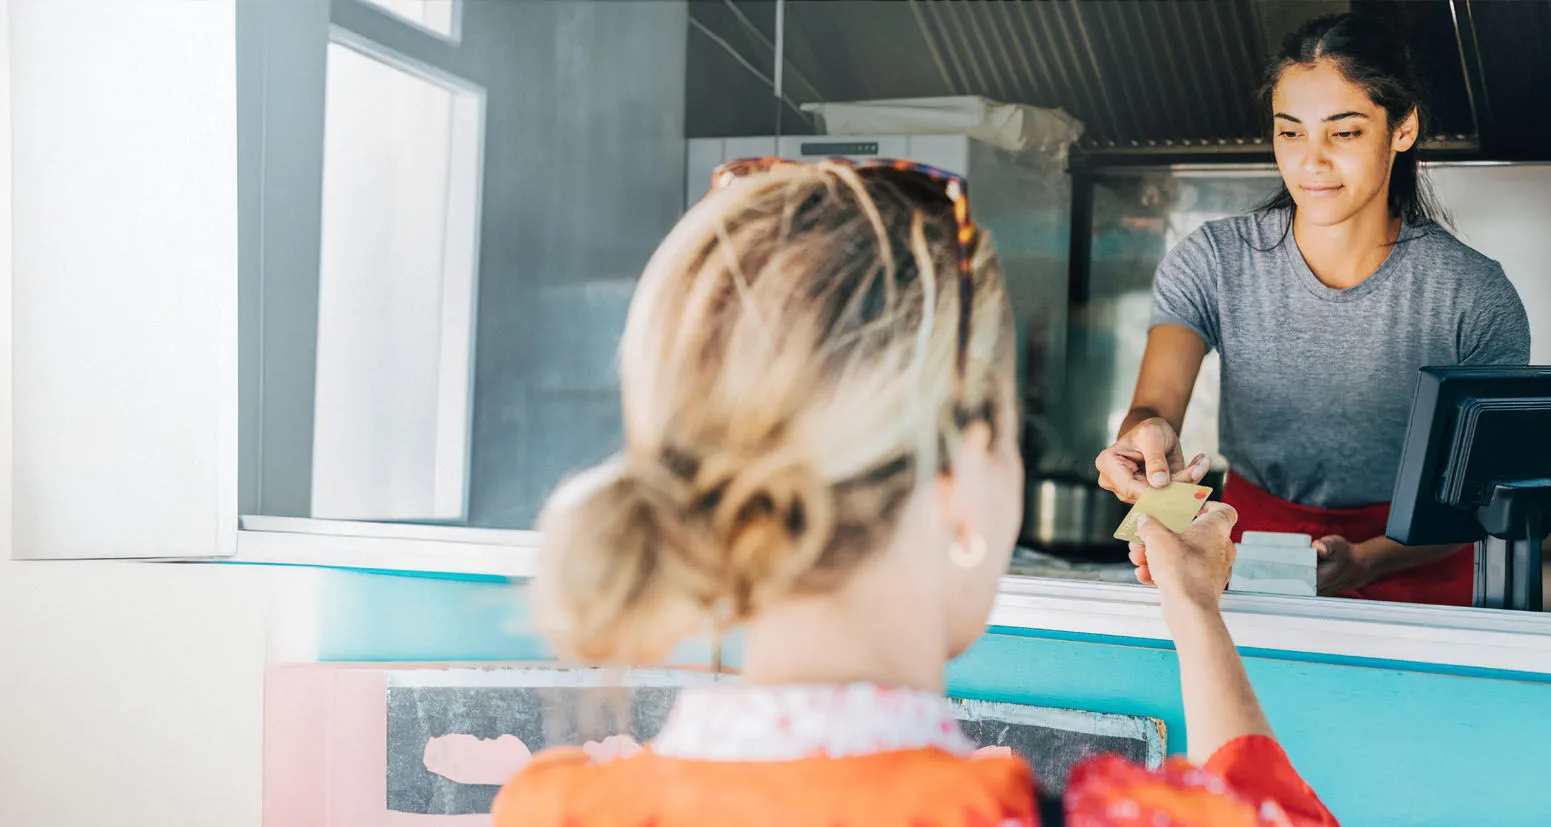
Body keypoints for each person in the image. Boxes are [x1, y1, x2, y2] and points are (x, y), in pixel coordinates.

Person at [491, 159, 1338, 826]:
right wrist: (1194, 605)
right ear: (964, 477)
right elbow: (1269, 812)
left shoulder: (552, 808)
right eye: (1015, 434)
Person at [1096, 14, 1531, 607]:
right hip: (1252, 560)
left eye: (1344, 133)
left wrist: (1367, 562)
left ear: (1402, 129)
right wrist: (1141, 439)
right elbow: (1153, 409)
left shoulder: (1473, 294)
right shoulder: (1214, 260)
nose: (1311, 161)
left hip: (1418, 573)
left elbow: (1486, 497)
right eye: (1291, 132)